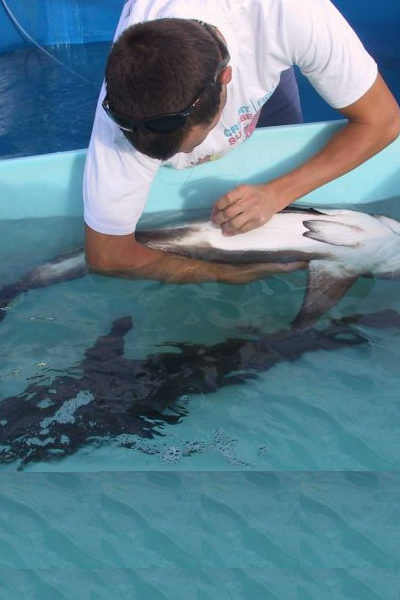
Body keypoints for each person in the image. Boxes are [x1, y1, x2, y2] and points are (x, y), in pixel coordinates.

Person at [83, 0, 400, 284]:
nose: (190, 159)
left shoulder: (291, 15)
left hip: (262, 41)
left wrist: (277, 193)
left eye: (191, 147)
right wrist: (225, 275)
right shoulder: (124, 111)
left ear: (227, 80)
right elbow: (107, 256)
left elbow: (384, 120)